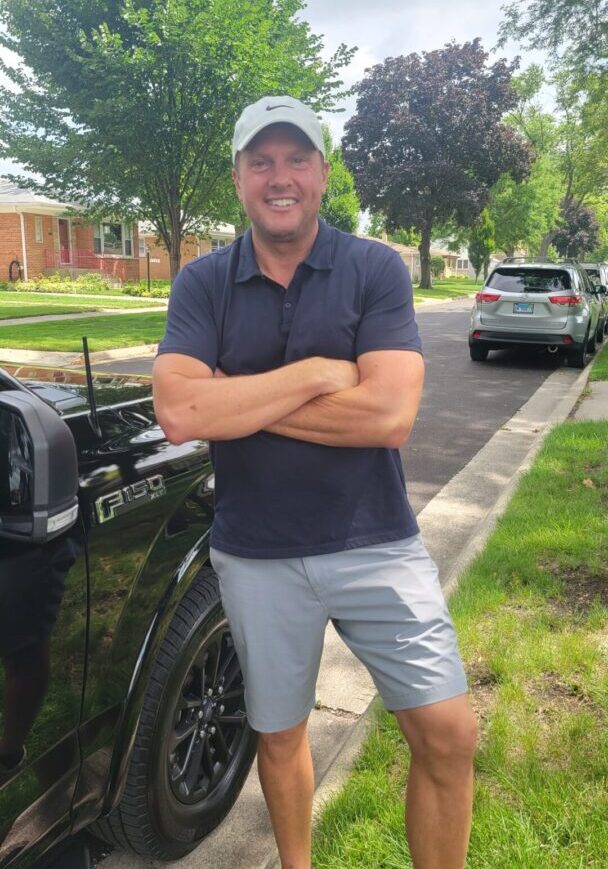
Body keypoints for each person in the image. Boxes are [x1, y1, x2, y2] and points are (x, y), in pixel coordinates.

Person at [153, 94, 477, 869]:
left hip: (376, 542)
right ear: (238, 178)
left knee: (449, 732)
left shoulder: (372, 269)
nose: (280, 176)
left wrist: (242, 397)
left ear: (323, 173)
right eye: (260, 161)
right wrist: (313, 375)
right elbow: (180, 409)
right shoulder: (203, 283)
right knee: (280, 731)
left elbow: (389, 414)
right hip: (256, 553)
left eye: (296, 158)